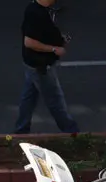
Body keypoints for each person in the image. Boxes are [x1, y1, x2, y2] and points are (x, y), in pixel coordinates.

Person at [14, 0, 79, 134]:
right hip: (41, 66)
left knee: (28, 99)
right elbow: (29, 42)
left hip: (32, 64)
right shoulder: (35, 13)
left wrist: (59, 38)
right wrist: (54, 49)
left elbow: (43, 33)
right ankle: (72, 133)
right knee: (55, 101)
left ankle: (21, 130)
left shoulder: (41, 9)